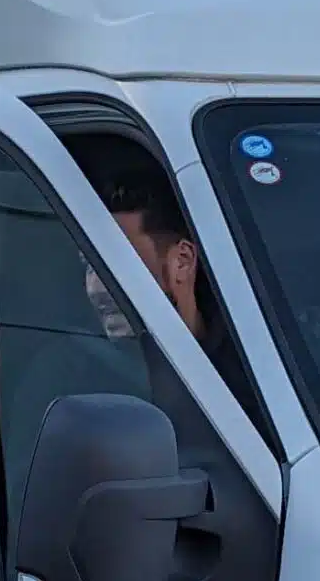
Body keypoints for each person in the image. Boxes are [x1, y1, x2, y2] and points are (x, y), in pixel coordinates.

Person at [83, 149, 255, 408]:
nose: (95, 288)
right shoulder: (79, 379)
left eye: (113, 263)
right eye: (88, 265)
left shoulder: (261, 372)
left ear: (182, 262)